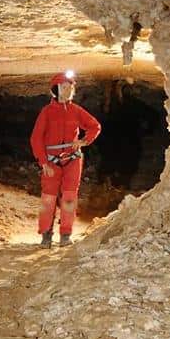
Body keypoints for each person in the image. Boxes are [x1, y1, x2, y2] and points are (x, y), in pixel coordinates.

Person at [29, 70, 101, 247]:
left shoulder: (76, 111)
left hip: (73, 160)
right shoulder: (47, 112)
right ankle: (46, 234)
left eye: (70, 87)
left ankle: (65, 235)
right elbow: (36, 138)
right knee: (48, 198)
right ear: (56, 89)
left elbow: (95, 126)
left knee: (69, 197)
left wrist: (84, 141)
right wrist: (43, 162)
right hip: (51, 162)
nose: (68, 90)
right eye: (64, 87)